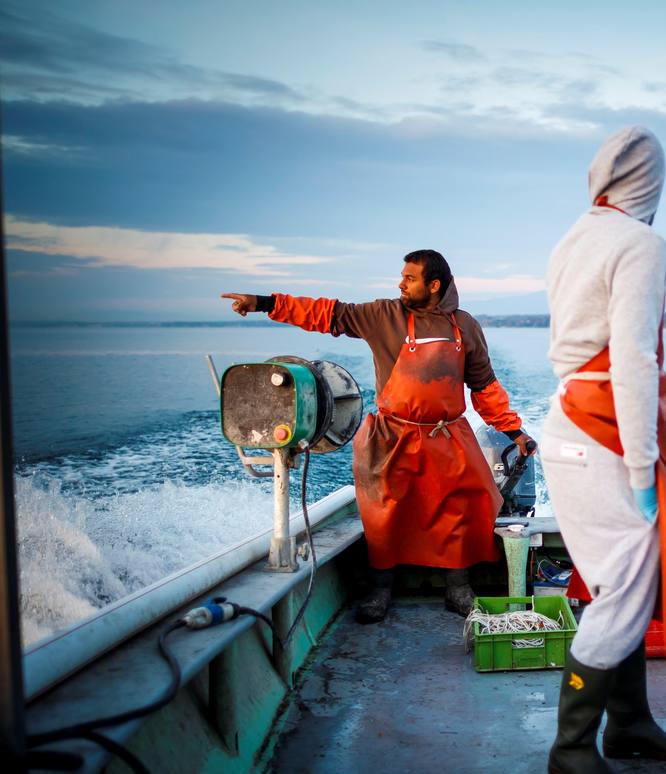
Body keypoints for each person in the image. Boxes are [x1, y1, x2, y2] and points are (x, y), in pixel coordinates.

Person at [541, 126, 666, 774]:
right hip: (602, 434)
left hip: (568, 425)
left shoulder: (573, 238)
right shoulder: (641, 244)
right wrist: (646, 471)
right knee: (625, 584)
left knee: (613, 579)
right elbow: (633, 360)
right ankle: (570, 749)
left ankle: (630, 723)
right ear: (650, 184)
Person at [223, 250, 533, 623]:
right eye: (401, 277)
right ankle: (379, 591)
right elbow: (328, 314)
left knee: (463, 509)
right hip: (393, 435)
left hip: (447, 434)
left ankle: (458, 588)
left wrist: (513, 431)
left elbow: (483, 385)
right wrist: (265, 303)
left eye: (409, 278)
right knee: (384, 513)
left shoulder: (464, 326)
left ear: (433, 286)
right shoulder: (383, 315)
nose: (400, 284)